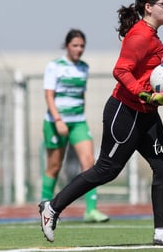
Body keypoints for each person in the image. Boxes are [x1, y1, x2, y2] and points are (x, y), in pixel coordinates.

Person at [39, 0, 163, 246]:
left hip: (147, 114)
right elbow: (121, 71)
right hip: (126, 112)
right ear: (148, 7)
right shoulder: (140, 36)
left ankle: (162, 233)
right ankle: (52, 208)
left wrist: (157, 98)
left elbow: (146, 77)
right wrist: (146, 96)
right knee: (106, 170)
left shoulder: (152, 35)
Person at [41, 29, 109, 223]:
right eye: (75, 45)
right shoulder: (55, 66)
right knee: (54, 167)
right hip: (56, 123)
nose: (79, 49)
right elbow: (49, 96)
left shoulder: (84, 68)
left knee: (90, 163)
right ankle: (45, 207)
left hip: (78, 122)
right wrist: (58, 120)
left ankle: (91, 210)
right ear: (67, 46)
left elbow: (80, 96)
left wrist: (79, 117)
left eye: (82, 46)